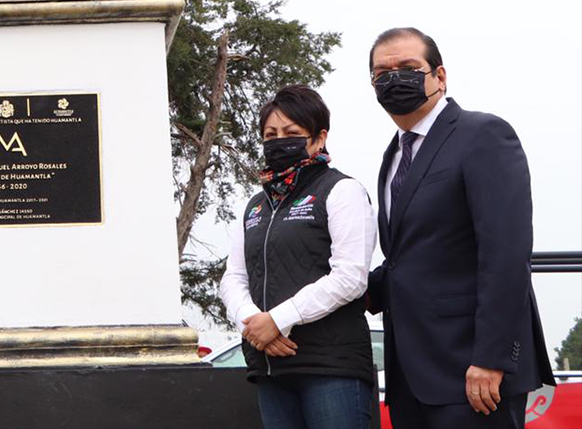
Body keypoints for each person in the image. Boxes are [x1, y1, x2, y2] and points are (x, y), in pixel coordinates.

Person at [365, 28, 554, 428]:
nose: (394, 79)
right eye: (382, 73)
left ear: (440, 76)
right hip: (410, 376)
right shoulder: (393, 156)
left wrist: (491, 357)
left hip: (473, 371)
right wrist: (346, 288)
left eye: (408, 68)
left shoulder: (483, 135)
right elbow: (408, 258)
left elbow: (505, 254)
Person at [219, 85, 377, 429]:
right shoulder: (255, 206)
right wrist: (254, 323)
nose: (279, 141)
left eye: (291, 134)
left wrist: (278, 318)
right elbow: (233, 278)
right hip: (270, 367)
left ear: (319, 139)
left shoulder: (341, 190)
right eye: (270, 134)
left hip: (331, 368)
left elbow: (350, 277)